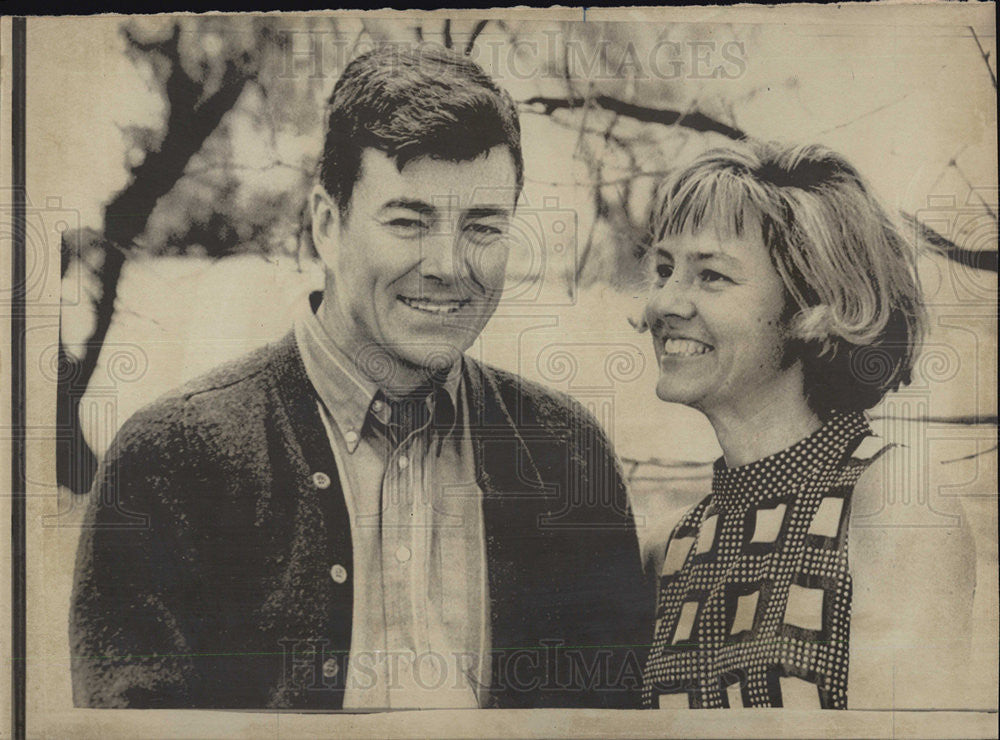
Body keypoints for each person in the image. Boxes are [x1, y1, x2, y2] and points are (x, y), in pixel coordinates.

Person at [70, 45, 653, 710]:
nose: (448, 264)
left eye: (482, 227)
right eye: (409, 222)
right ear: (326, 225)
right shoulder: (170, 463)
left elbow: (612, 717)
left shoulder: (567, 456)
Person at [638, 141, 977, 709]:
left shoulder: (894, 504)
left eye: (712, 276)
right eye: (666, 270)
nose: (665, 303)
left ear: (813, 304)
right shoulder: (668, 549)